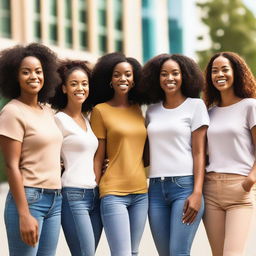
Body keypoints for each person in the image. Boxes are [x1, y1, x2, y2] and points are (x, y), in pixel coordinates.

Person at [140, 53, 209, 256]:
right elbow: (145, 152)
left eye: (175, 73)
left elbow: (199, 153)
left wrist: (197, 193)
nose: (169, 78)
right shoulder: (152, 111)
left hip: (184, 188)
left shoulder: (196, 106)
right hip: (155, 190)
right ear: (157, 78)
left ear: (184, 76)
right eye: (164, 74)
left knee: (178, 252)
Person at [0, 43, 62, 256]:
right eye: (25, 72)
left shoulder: (46, 111)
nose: (33, 76)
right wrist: (24, 214)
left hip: (55, 199)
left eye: (38, 71)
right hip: (29, 199)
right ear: (15, 77)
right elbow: (11, 165)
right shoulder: (12, 112)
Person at [90, 52, 148, 256]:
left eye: (128, 74)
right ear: (110, 80)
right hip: (113, 192)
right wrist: (95, 188)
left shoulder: (138, 110)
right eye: (117, 75)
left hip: (141, 192)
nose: (123, 78)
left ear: (134, 80)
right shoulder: (100, 111)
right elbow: (98, 156)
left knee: (133, 252)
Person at [203, 52, 256, 256]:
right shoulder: (210, 113)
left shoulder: (250, 106)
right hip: (211, 190)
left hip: (239, 190)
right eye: (214, 71)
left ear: (236, 72)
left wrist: (250, 180)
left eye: (225, 69)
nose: (219, 74)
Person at [50, 60, 102, 256]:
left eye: (84, 83)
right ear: (63, 88)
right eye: (74, 84)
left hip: (95, 195)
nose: (80, 88)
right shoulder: (58, 120)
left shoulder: (87, 120)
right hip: (73, 195)